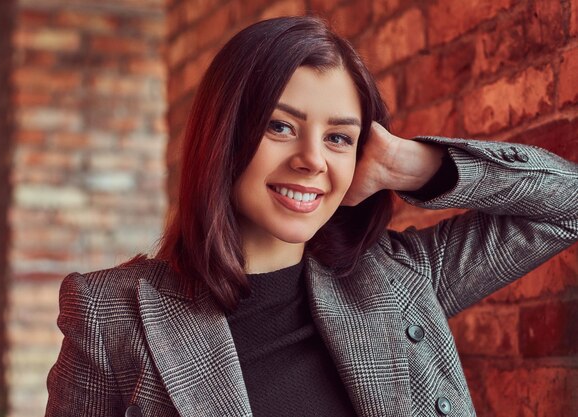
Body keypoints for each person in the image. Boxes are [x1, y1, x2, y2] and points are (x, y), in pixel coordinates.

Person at [45, 15, 578, 417]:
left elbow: (564, 205)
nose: (312, 160)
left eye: (338, 137)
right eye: (281, 127)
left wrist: (410, 164)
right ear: (224, 136)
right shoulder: (111, 315)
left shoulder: (397, 280)